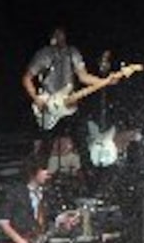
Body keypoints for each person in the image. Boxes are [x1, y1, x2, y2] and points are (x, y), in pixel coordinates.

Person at [21, 27, 115, 177]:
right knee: (47, 145)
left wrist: (105, 81)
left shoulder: (73, 53)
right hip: (50, 105)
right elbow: (27, 78)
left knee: (81, 138)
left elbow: (83, 77)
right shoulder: (44, 54)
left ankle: (89, 176)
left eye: (62, 33)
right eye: (56, 34)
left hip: (68, 105)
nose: (60, 37)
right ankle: (40, 178)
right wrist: (36, 98)